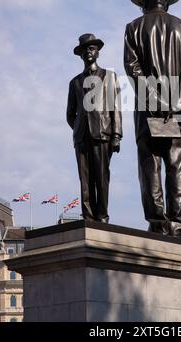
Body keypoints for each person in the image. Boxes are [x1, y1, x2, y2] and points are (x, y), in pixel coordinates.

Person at [124, 0, 181, 237]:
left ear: (145, 0)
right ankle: (176, 225)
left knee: (151, 166)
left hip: (149, 109)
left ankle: (157, 224)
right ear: (166, 1)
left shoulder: (134, 27)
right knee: (175, 166)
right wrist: (177, 100)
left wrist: (155, 99)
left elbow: (132, 68)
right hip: (179, 110)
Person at [67, 33, 122, 223]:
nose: (88, 52)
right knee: (85, 180)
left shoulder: (109, 76)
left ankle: (102, 216)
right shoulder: (74, 82)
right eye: (85, 49)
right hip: (81, 137)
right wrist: (79, 128)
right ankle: (88, 216)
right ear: (81, 55)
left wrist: (116, 135)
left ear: (98, 52)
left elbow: (115, 107)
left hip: (103, 134)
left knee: (101, 177)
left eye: (92, 48)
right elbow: (70, 114)